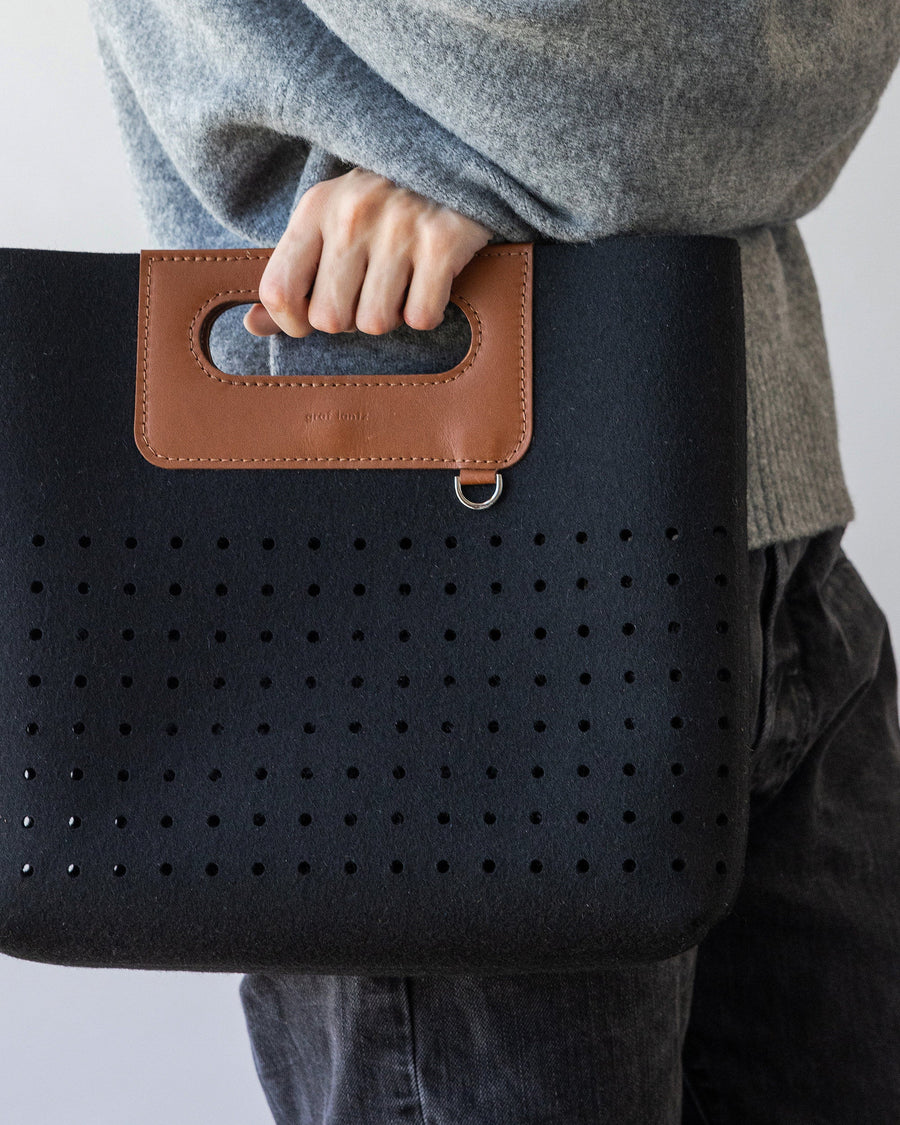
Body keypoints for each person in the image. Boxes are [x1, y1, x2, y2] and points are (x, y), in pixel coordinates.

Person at [87, 1, 900, 1120]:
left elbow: (833, 33)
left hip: (785, 564)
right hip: (433, 608)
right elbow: (732, 58)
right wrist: (541, 139)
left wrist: (463, 157)